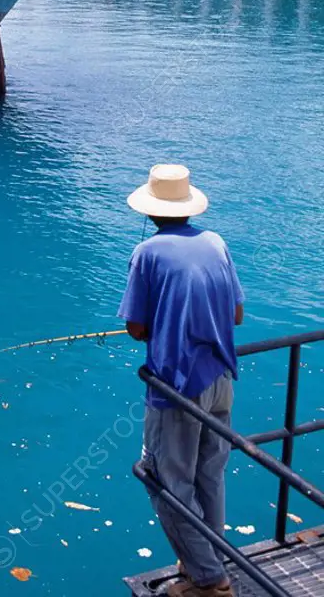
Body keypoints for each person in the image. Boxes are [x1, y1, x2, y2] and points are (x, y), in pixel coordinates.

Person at [118, 164, 245, 597]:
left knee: (166, 482)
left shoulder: (147, 253)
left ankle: (210, 580)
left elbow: (136, 327)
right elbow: (236, 315)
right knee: (210, 473)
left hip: (177, 387)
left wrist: (163, 325)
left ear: (150, 210)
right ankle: (206, 557)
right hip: (221, 378)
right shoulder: (216, 242)